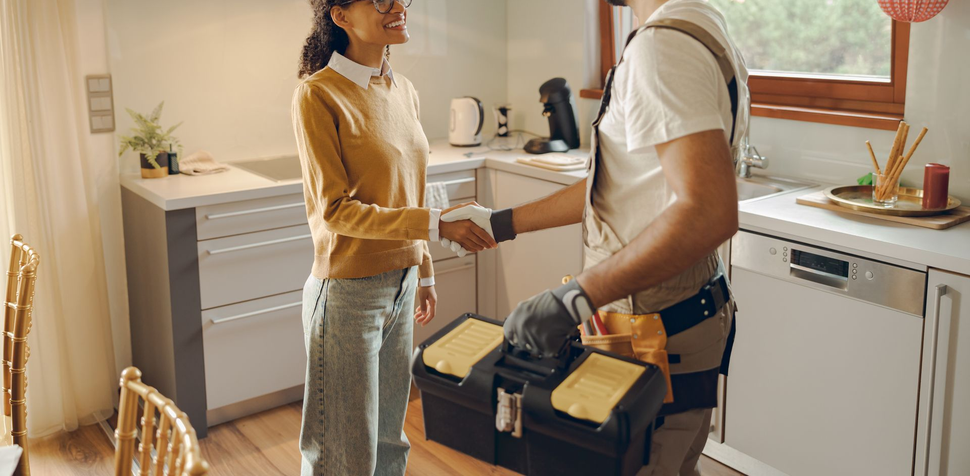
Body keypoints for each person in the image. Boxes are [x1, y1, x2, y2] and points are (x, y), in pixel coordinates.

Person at [442, 0, 749, 474]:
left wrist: (574, 299)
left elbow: (708, 212)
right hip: (685, 314)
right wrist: (502, 223)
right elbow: (624, 184)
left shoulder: (661, 47)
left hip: (657, 329)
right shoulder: (701, 23)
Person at [292, 0, 496, 474]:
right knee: (343, 455)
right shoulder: (318, 95)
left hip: (402, 287)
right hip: (346, 296)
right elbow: (336, 211)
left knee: (389, 443)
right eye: (379, 0)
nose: (398, 6)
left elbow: (413, 189)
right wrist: (435, 225)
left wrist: (423, 271)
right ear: (339, 16)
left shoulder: (403, 89)